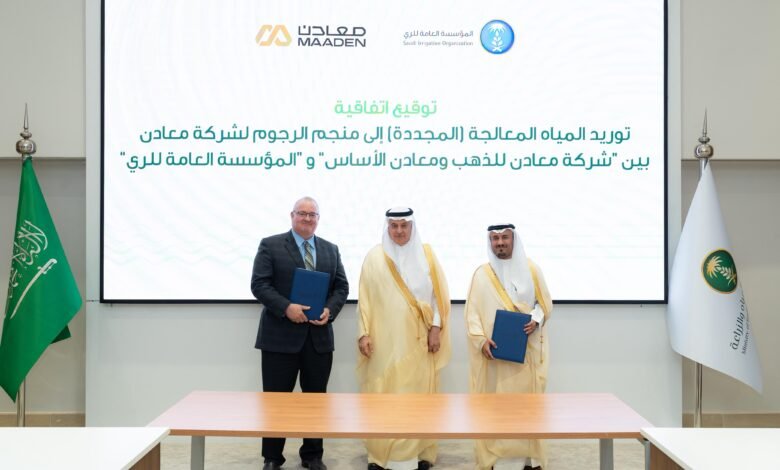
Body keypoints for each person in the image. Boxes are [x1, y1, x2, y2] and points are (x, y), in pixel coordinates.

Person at [250, 196, 349, 470]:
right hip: (279, 338)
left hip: (318, 339)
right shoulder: (270, 245)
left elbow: (341, 287)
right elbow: (259, 284)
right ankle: (272, 457)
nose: (307, 218)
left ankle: (312, 455)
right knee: (276, 401)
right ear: (292, 215)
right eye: (302, 213)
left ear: (318, 219)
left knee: (315, 400)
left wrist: (330, 310)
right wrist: (286, 308)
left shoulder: (330, 249)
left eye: (312, 214)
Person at [356, 208, 451, 470]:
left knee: (416, 397)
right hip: (383, 343)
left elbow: (439, 297)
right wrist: (363, 333)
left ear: (412, 227)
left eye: (404, 225)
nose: (399, 231)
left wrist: (436, 328)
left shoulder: (427, 255)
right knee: (383, 396)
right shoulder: (374, 257)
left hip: (419, 343)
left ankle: (420, 454)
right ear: (387, 227)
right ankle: (380, 456)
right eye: (394, 225)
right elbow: (364, 299)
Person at [465, 224, 553, 470]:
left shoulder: (532, 269)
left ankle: (528, 459)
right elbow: (471, 313)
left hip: (526, 355)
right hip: (493, 357)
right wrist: (481, 340)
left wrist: (536, 319)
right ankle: (497, 459)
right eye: (495, 239)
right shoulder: (481, 274)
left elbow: (545, 304)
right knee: (496, 409)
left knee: (526, 408)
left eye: (505, 237)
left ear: (514, 239)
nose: (500, 243)